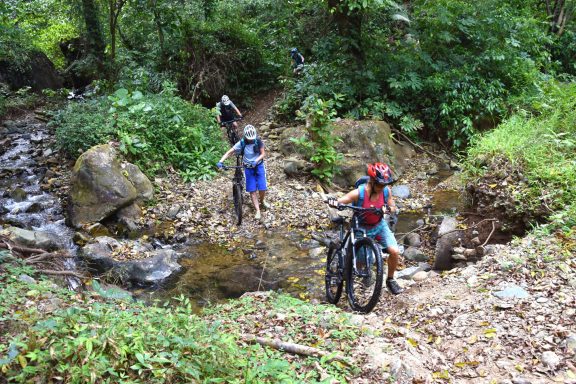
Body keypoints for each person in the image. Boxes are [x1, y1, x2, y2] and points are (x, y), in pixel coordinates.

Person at [328, 163, 403, 295]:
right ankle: (348, 278)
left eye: (384, 184)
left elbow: (393, 207)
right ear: (372, 180)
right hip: (361, 228)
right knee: (362, 263)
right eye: (380, 184)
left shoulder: (386, 191)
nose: (382, 187)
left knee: (395, 251)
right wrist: (335, 203)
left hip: (379, 226)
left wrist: (388, 209)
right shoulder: (359, 193)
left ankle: (390, 280)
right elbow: (342, 200)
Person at [217, 125, 269, 221]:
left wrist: (256, 161)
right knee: (252, 190)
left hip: (259, 166)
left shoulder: (258, 141)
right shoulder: (242, 143)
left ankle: (262, 201)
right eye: (249, 139)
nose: (251, 140)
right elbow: (230, 152)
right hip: (248, 168)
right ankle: (257, 210)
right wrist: (221, 161)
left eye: (252, 139)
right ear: (245, 137)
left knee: (262, 187)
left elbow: (263, 154)